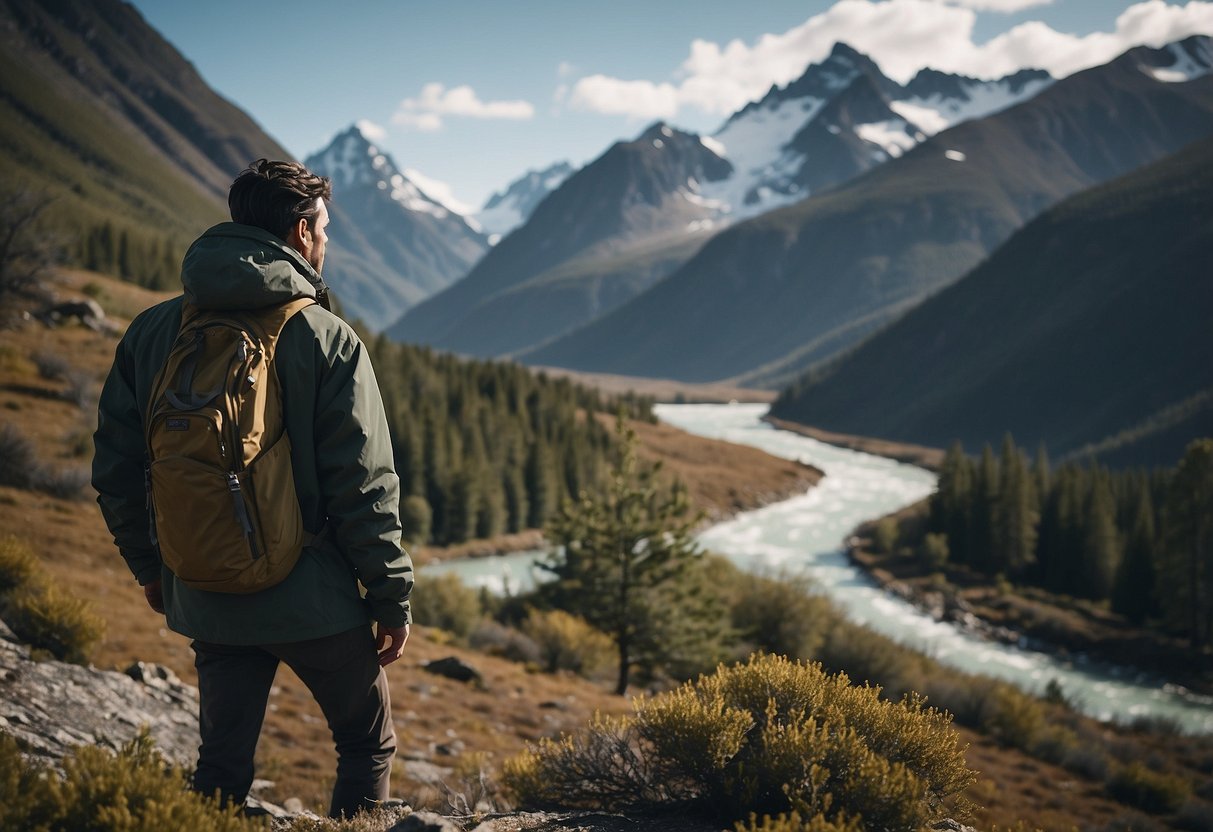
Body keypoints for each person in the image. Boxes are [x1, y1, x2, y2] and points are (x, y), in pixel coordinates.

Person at [92, 159, 413, 818]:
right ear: (300, 234)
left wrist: (150, 565)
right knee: (365, 743)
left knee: (220, 762)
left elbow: (117, 467)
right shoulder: (326, 339)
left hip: (203, 587)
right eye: (323, 229)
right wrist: (389, 595)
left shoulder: (153, 331)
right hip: (313, 601)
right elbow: (363, 486)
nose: (325, 242)